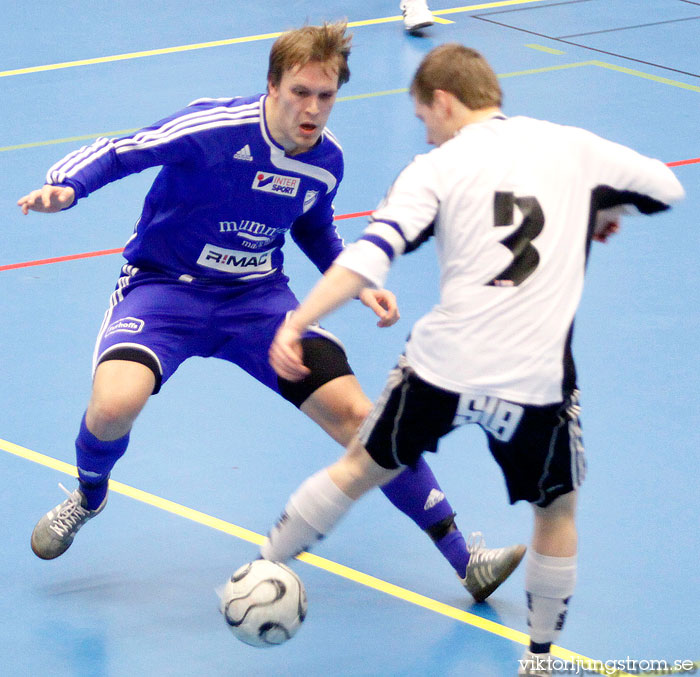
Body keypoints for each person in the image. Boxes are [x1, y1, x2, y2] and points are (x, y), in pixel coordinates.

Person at [18, 24, 525, 604]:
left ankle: (466, 560)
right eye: (300, 92)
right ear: (272, 87)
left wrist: (356, 281)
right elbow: (122, 150)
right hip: (164, 290)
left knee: (364, 420)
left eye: (326, 95)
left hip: (258, 303)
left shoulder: (327, 160)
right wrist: (66, 186)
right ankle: (88, 496)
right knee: (113, 406)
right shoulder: (215, 127)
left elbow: (312, 224)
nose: (312, 109)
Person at [260, 44, 685, 676]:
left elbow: (370, 256)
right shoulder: (574, 147)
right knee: (556, 509)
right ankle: (540, 659)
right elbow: (668, 187)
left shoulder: (436, 167)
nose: (427, 134)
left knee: (358, 469)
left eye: (425, 118)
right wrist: (601, 207)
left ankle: (265, 567)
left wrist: (300, 319)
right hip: (535, 379)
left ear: (444, 101)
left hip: (442, 367)